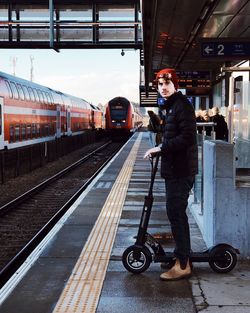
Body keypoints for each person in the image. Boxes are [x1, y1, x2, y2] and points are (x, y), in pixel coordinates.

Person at [144, 68, 198, 281]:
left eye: (167, 83)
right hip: (175, 170)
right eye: (160, 84)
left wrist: (160, 149)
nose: (163, 88)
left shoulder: (182, 106)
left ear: (175, 85)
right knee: (175, 214)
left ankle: (183, 264)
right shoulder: (172, 107)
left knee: (176, 214)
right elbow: (173, 134)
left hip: (181, 171)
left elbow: (187, 138)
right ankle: (180, 255)